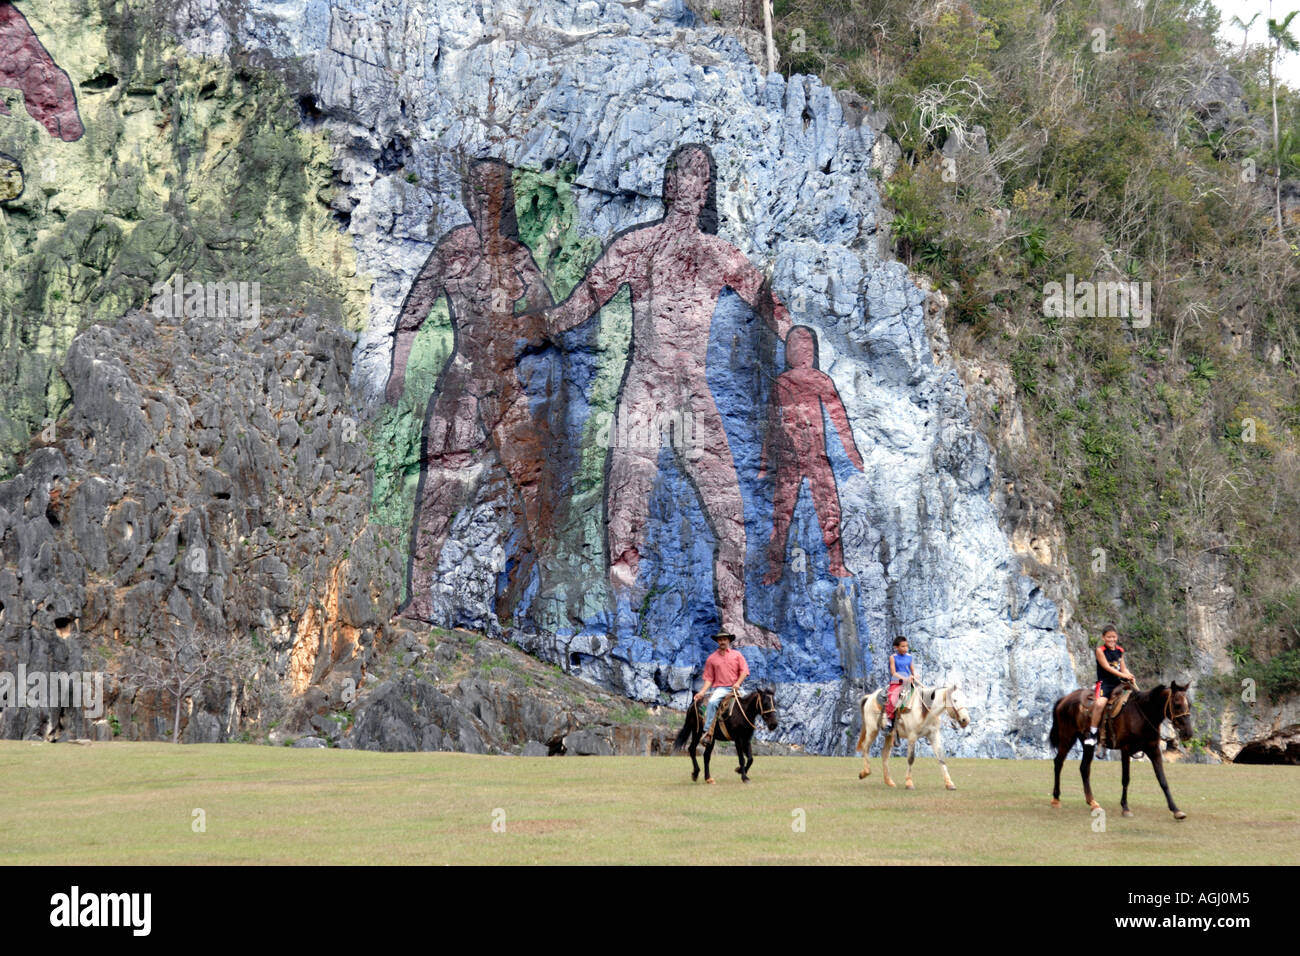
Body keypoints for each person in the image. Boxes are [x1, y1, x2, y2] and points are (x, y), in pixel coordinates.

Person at [533, 143, 791, 649]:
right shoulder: (640, 246)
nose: (689, 182)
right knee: (628, 494)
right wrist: (539, 326)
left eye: (700, 174)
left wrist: (801, 352)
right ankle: (618, 609)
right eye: (679, 172)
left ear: (707, 188)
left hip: (692, 391)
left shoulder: (719, 255)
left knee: (731, 518)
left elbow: (769, 304)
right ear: (668, 184)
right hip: (646, 386)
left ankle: (734, 622)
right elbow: (585, 299)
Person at [385, 158, 556, 621]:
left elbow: (549, 320)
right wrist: (397, 373)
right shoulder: (453, 247)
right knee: (439, 483)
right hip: (459, 381)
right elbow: (413, 311)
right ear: (466, 194)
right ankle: (419, 595)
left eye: (495, 187)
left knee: (535, 485)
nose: (485, 195)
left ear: (506, 198)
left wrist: (521, 324)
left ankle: (538, 598)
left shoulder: (518, 257)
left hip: (505, 384)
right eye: (477, 186)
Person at [759, 325, 864, 583]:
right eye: (794, 344)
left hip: (818, 457)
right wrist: (764, 463)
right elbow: (771, 425)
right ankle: (774, 569)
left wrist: (853, 454)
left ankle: (836, 564)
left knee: (830, 511)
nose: (800, 349)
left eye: (805, 344)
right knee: (780, 515)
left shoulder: (821, 380)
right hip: (789, 460)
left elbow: (840, 420)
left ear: (813, 350)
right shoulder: (781, 383)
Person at [694, 630, 750, 748]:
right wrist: (702, 692)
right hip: (721, 689)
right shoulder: (712, 659)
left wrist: (738, 683)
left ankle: (749, 730)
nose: (722, 641)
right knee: (713, 702)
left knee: (750, 703)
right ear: (717, 641)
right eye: (720, 639)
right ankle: (708, 732)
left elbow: (744, 671)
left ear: (729, 640)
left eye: (724, 639)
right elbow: (709, 678)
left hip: (736, 687)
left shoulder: (737, 655)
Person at [1083, 624, 1134, 747]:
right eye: (1109, 637)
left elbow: (1123, 668)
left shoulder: (1120, 651)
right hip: (1105, 683)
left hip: (1118, 683)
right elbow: (1107, 667)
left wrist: (1129, 675)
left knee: (1134, 699)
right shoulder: (1100, 651)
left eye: (1114, 637)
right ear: (1103, 638)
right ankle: (1093, 733)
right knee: (1100, 704)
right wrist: (1123, 675)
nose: (1111, 640)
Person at [884, 635, 917, 733]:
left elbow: (913, 670)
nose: (905, 648)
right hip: (897, 682)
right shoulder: (893, 657)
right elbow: (893, 673)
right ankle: (889, 720)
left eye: (906, 646)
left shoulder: (909, 657)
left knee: (919, 696)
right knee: (892, 697)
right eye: (902, 646)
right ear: (896, 647)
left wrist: (914, 676)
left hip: (908, 682)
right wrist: (904, 678)